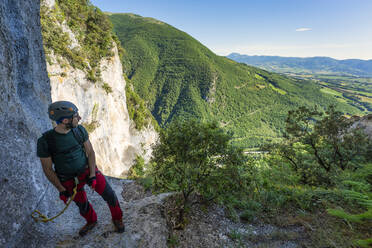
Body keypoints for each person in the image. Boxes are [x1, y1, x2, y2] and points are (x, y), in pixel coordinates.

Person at [37, 101, 125, 236]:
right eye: (75, 116)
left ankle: (117, 218)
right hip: (68, 179)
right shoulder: (45, 141)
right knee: (82, 204)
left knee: (109, 194)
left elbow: (90, 152)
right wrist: (61, 189)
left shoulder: (79, 131)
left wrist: (92, 174)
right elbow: (47, 169)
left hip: (86, 170)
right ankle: (91, 221)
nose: (79, 118)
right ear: (65, 120)